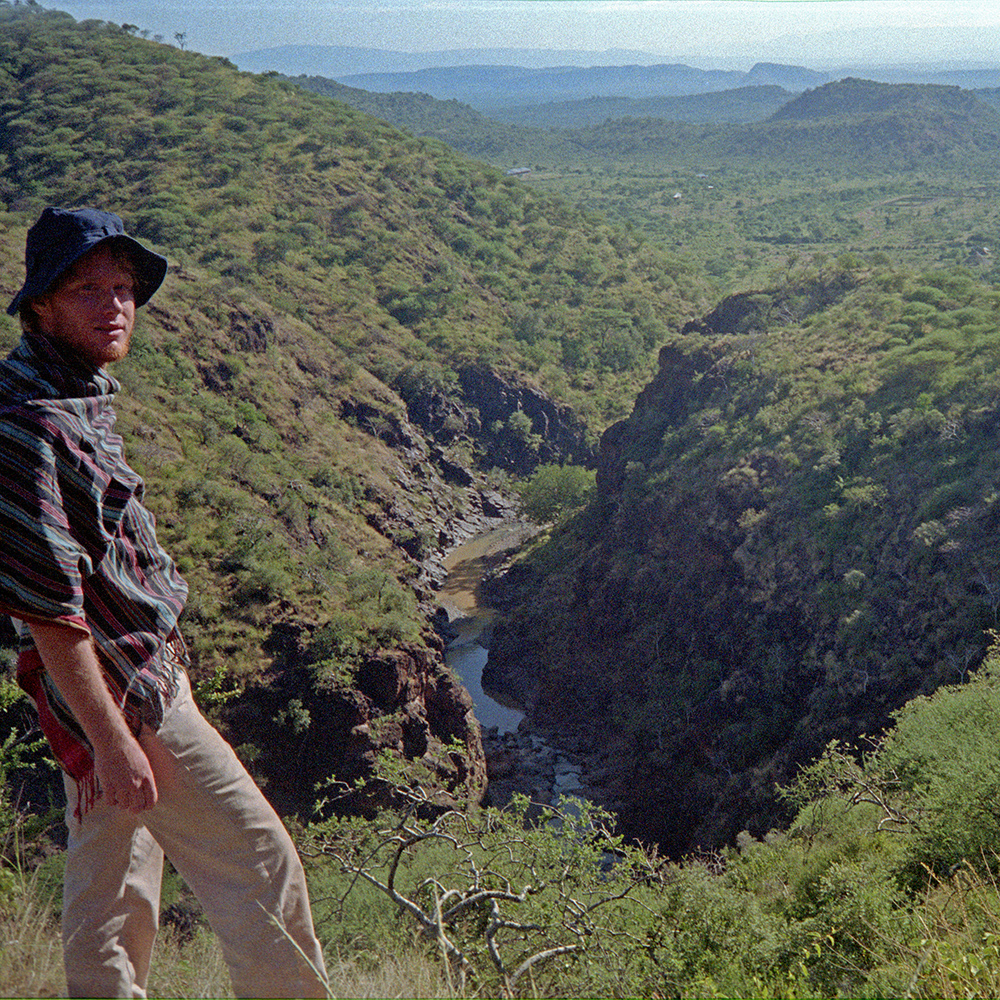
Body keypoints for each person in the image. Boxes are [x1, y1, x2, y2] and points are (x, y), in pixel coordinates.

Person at [0, 206, 329, 999]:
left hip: (114, 690)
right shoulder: (28, 424)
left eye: (123, 288)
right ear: (41, 302)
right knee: (259, 863)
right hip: (124, 697)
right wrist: (113, 744)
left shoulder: (70, 395)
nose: (114, 305)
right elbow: (52, 610)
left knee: (111, 893)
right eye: (87, 289)